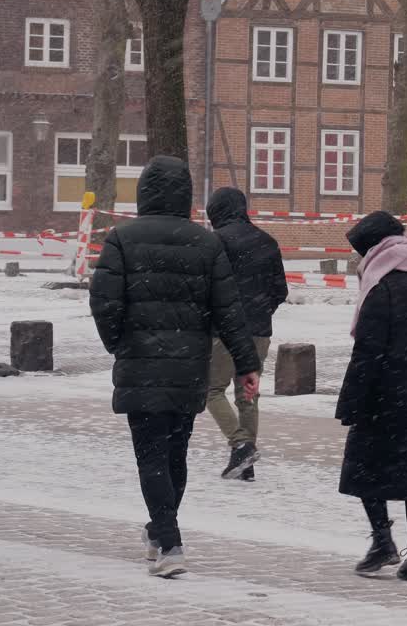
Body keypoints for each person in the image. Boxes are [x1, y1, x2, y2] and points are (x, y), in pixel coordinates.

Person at [90, 156, 262, 579]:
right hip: (188, 367)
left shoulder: (122, 239)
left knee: (150, 456)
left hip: (141, 365)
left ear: (143, 192)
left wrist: (120, 343)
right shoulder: (206, 244)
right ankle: (158, 531)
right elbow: (228, 309)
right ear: (186, 195)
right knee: (175, 453)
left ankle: (169, 542)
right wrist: (246, 363)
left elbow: (104, 302)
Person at [336, 211, 407, 584]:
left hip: (385, 401)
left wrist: (351, 403)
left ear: (375, 252)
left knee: (367, 470)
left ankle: (382, 541)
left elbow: (367, 354)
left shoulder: (381, 289)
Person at [205, 187, 288, 482]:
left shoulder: (216, 241)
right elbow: (281, 290)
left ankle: (240, 444)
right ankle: (246, 462)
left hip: (224, 330)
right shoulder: (268, 242)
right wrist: (260, 312)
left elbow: (208, 288)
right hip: (259, 330)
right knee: (248, 394)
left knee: (211, 390)